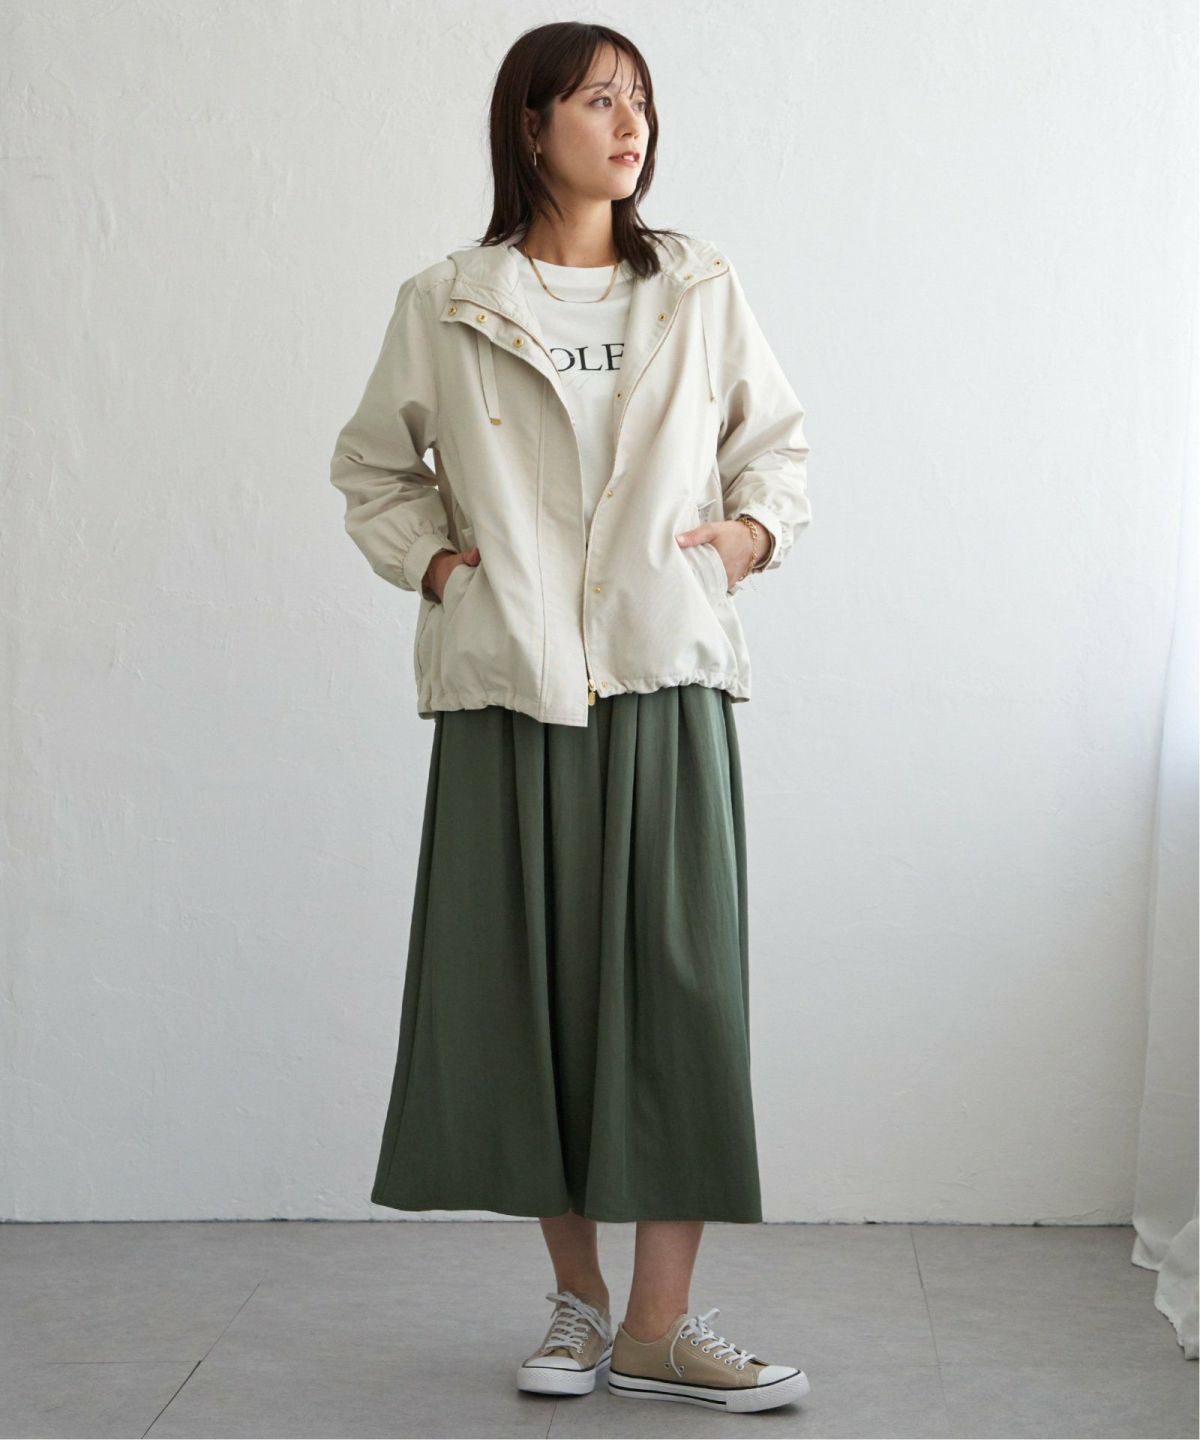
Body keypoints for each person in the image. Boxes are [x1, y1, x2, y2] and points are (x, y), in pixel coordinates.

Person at [328, 20, 812, 1415]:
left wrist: (745, 542)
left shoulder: (698, 287)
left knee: (681, 998)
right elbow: (373, 468)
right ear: (530, 125)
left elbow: (776, 446)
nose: (629, 123)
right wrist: (436, 565)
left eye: (639, 99)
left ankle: (659, 1327)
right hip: (513, 690)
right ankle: (581, 1304)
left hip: (665, 677)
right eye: (599, 100)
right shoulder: (449, 300)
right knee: (529, 999)